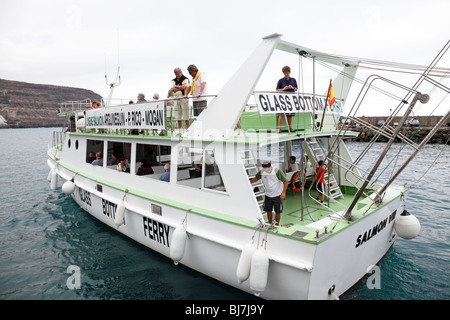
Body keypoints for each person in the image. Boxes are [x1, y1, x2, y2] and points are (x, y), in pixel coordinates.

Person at [249, 161, 288, 226]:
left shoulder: (277, 171)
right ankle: (270, 224)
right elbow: (256, 178)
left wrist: (283, 192)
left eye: (267, 169)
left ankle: (277, 225)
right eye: (265, 169)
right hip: (268, 195)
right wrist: (249, 182)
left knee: (277, 211)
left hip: (277, 195)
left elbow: (285, 181)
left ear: (270, 167)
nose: (266, 171)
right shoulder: (262, 172)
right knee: (268, 210)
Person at [276, 66, 298, 133]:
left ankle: (290, 127)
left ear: (289, 72)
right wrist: (283, 89)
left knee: (290, 115)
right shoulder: (280, 80)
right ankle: (279, 128)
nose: (286, 74)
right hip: (283, 99)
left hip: (291, 99)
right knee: (282, 114)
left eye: (287, 73)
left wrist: (292, 88)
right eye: (285, 73)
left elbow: (296, 89)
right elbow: (277, 89)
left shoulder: (293, 80)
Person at [169, 67, 190, 135]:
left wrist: (176, 86)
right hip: (176, 98)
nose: (177, 75)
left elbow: (185, 87)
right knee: (178, 115)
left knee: (186, 114)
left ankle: (189, 131)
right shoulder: (173, 80)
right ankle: (179, 132)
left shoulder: (185, 79)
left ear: (181, 72)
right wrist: (180, 87)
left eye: (178, 73)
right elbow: (172, 89)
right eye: (176, 73)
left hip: (183, 97)